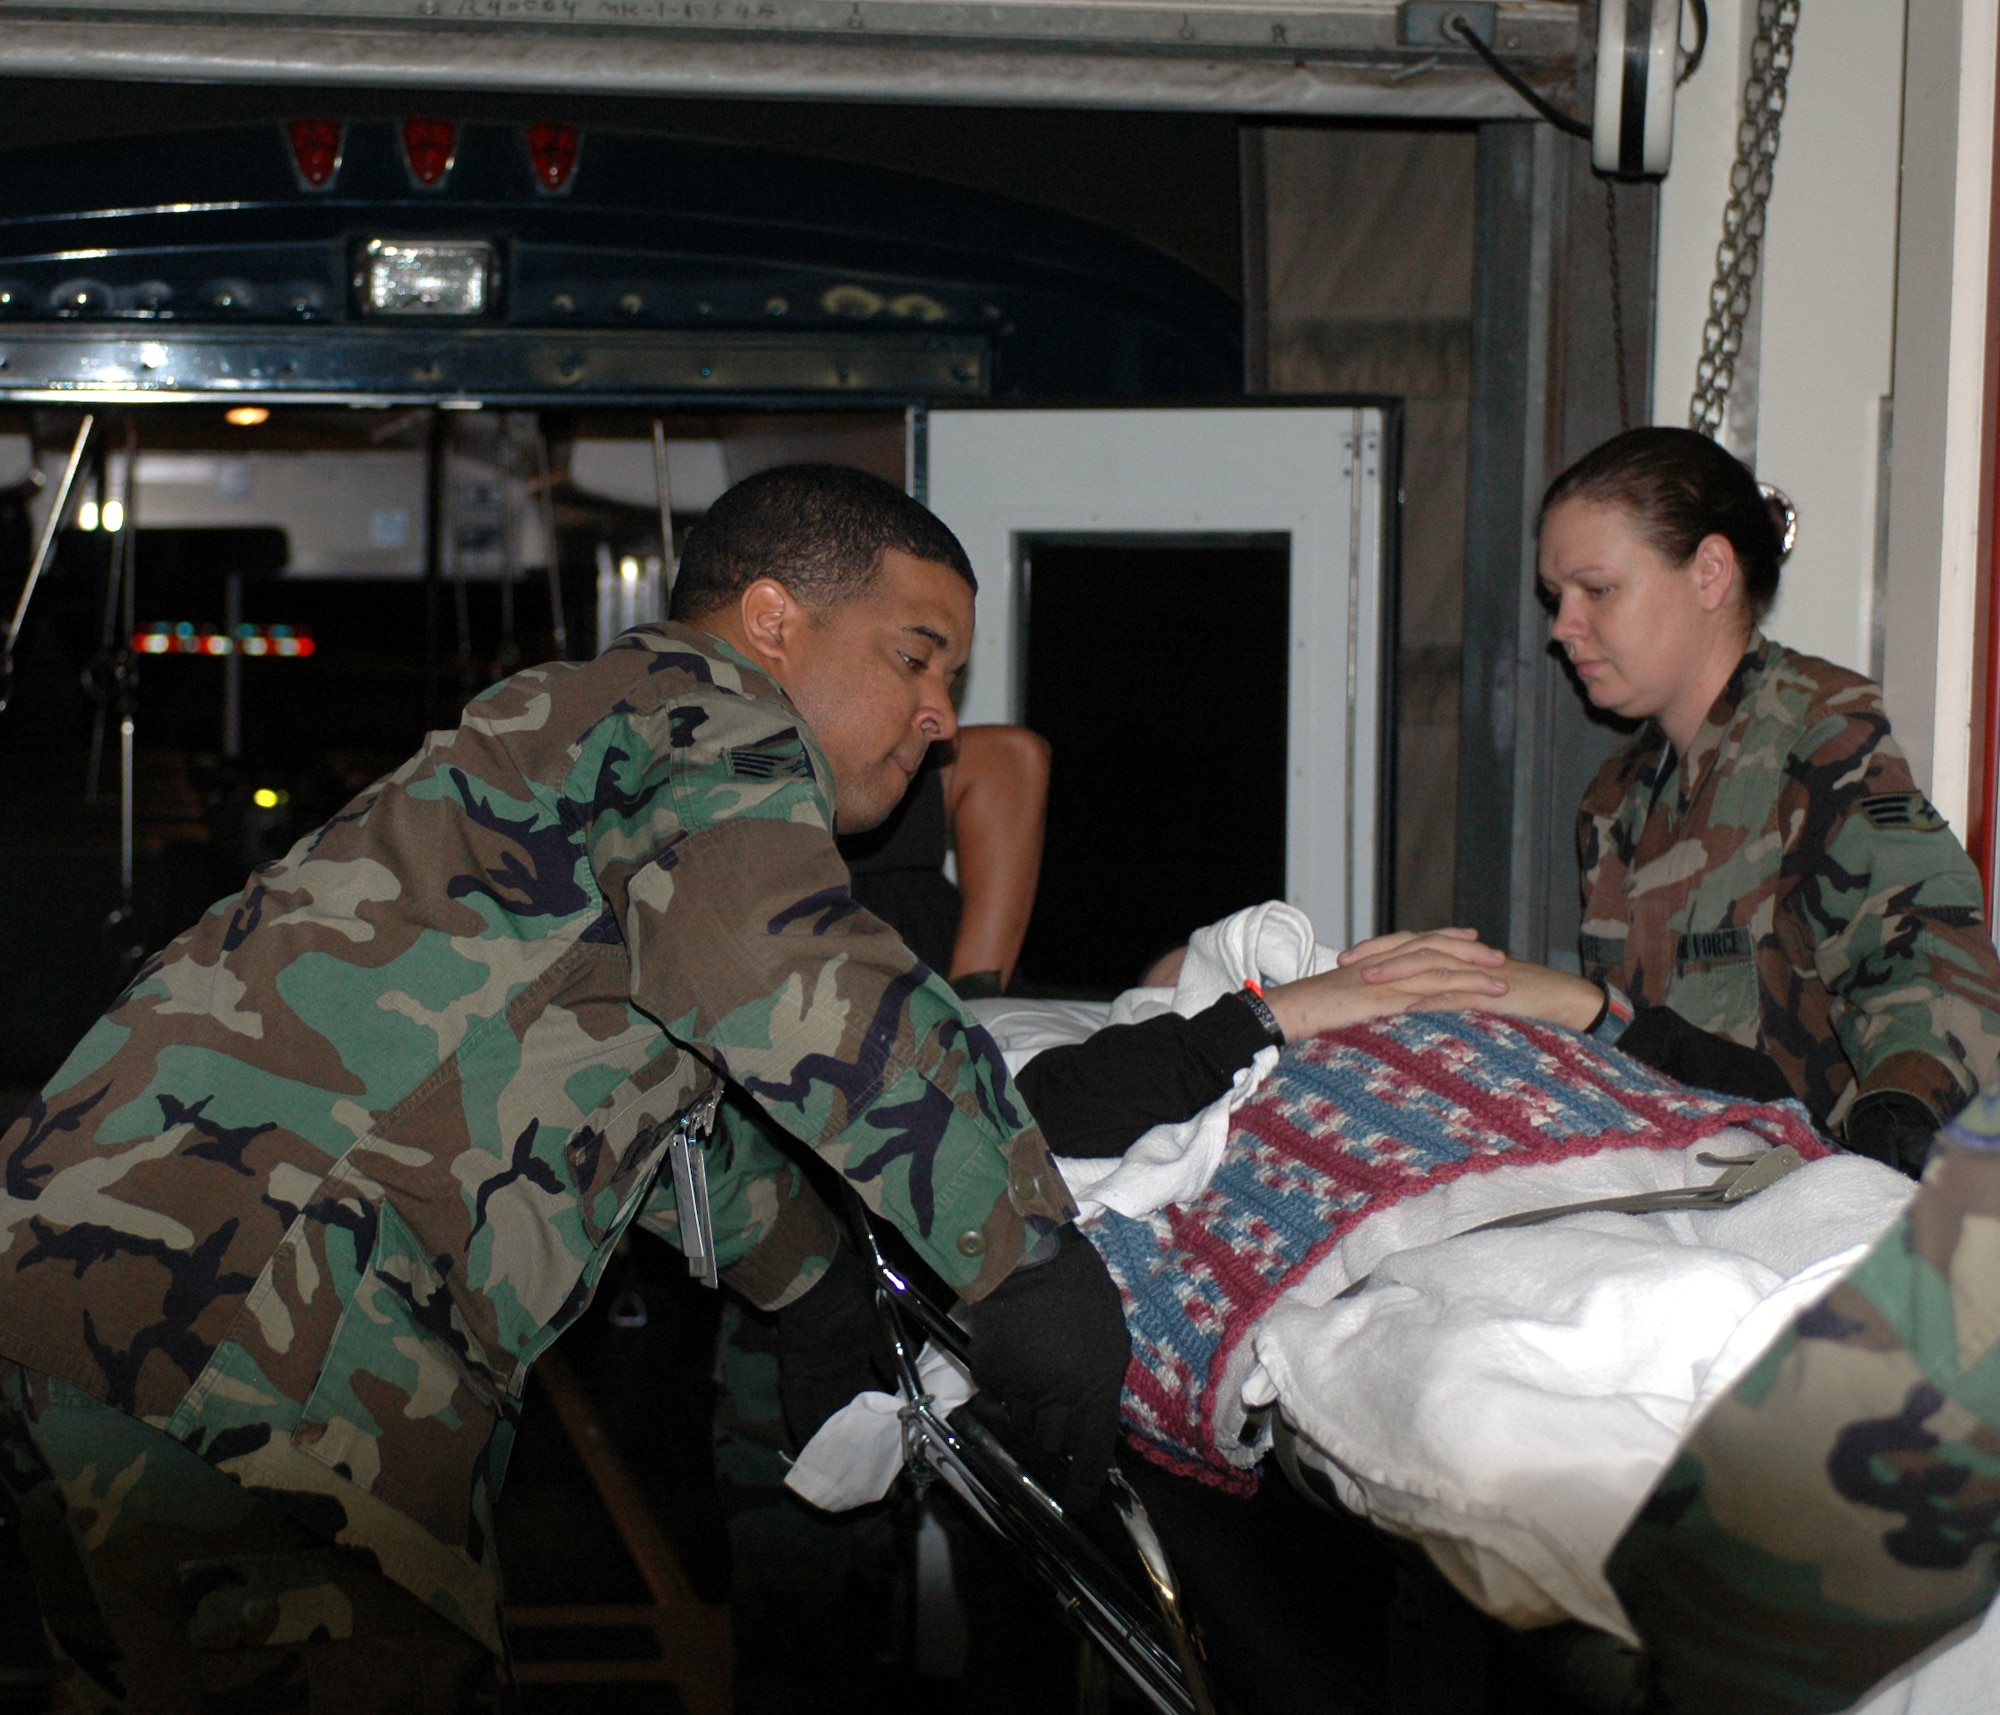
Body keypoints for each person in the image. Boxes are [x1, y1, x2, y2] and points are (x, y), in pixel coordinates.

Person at [1370, 427, 2000, 1173]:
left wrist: (1892, 1137)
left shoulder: (1821, 742)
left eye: (1596, 589)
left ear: (1709, 574)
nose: (1562, 628)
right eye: (1555, 596)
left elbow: (1935, 975)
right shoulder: (1618, 801)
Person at [837, 723, 1050, 998]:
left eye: (949, 680)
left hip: (939, 976)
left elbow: (1007, 757)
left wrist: (975, 998)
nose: (947, 718)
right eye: (913, 677)